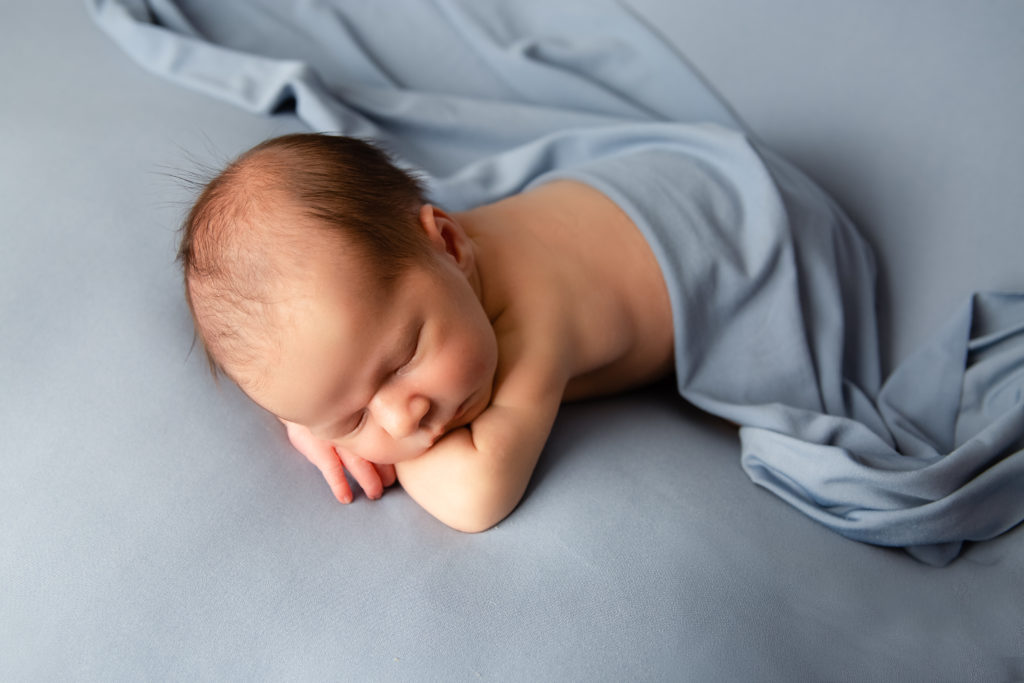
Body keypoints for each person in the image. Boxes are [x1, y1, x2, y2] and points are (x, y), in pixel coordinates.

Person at [179, 132, 675, 532]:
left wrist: (344, 432)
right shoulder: (425, 276)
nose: (401, 420)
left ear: (450, 245)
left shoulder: (537, 316)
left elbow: (476, 498)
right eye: (354, 418)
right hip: (635, 182)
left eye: (402, 360)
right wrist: (307, 419)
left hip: (721, 255)